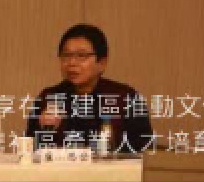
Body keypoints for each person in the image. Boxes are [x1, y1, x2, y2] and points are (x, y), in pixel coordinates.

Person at [26, 24, 153, 153]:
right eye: (66, 55)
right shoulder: (48, 97)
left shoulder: (125, 97)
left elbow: (145, 150)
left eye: (81, 56)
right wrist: (43, 128)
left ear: (102, 63)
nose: (72, 63)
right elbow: (29, 151)